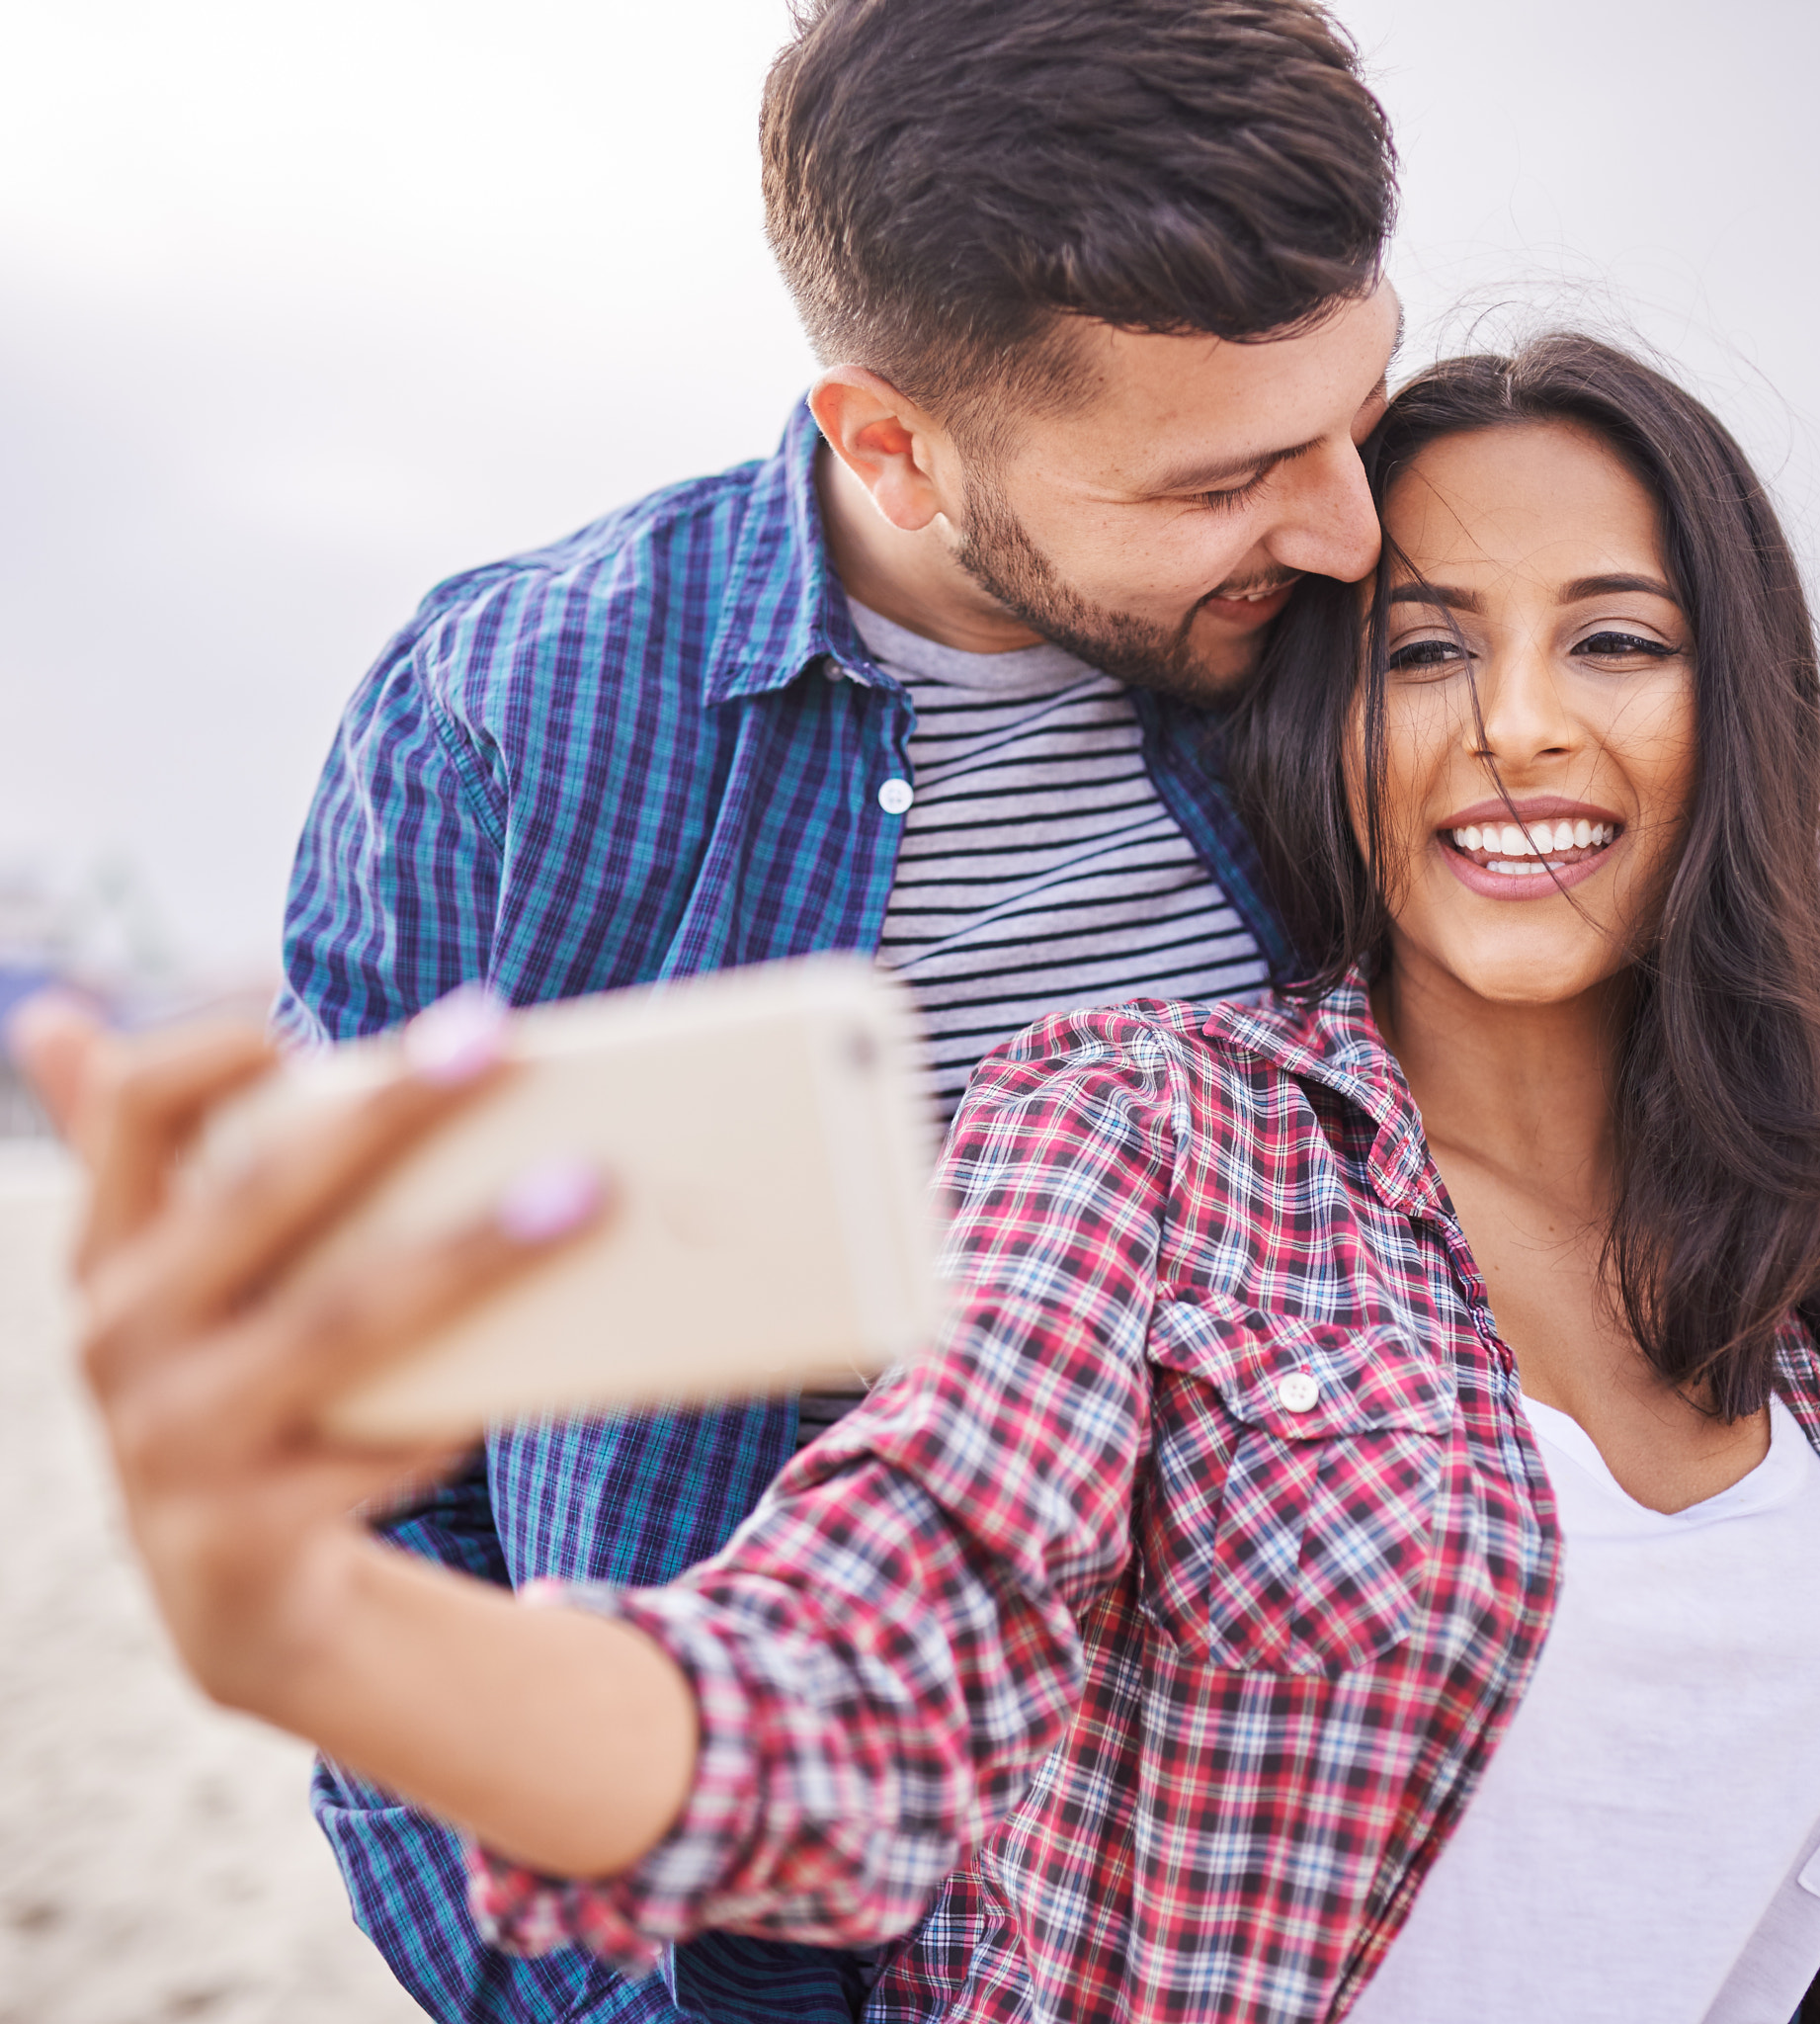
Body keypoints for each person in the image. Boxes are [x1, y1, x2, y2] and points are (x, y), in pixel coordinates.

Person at [21, 333, 1820, 2022]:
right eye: (1422, 652)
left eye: (1612, 638)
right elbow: (858, 1671)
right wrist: (313, 1624)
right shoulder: (1141, 1133)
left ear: (1724, 705)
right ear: (1330, 701)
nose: (1514, 727)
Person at [260, 0, 1400, 2013]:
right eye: (1223, 479)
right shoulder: (506, 725)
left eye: (1354, 409)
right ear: (885, 436)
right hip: (771, 1934)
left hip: (1328, 1888)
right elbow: (359, 1468)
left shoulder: (1398, 641)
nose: (1344, 529)